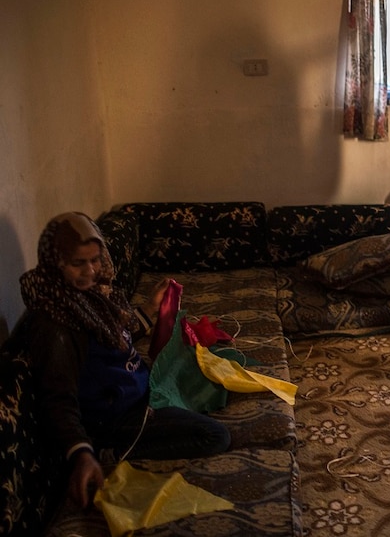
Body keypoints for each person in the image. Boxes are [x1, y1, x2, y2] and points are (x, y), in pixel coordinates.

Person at [20, 212, 231, 508]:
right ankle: (111, 452)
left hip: (139, 393)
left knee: (208, 379)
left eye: (95, 259)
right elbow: (58, 399)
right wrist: (82, 453)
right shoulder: (55, 324)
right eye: (78, 263)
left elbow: (115, 339)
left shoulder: (90, 296)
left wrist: (149, 309)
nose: (91, 271)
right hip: (116, 419)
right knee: (214, 435)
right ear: (55, 262)